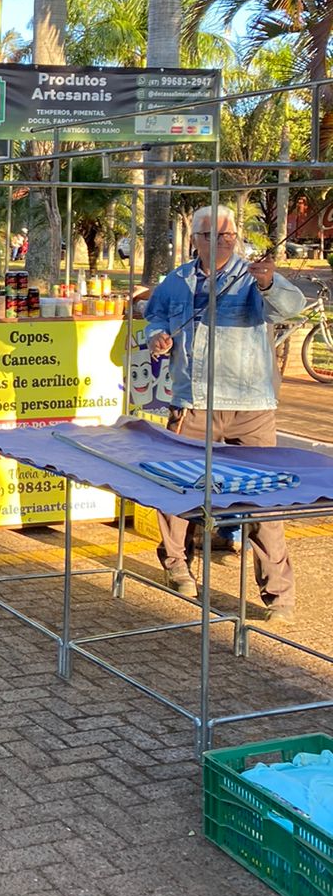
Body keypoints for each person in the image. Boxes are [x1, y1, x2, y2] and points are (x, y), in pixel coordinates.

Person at [146, 204, 305, 618]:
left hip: (252, 407)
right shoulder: (175, 280)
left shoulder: (254, 276)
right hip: (193, 403)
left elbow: (289, 307)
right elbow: (156, 314)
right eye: (210, 235)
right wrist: (157, 337)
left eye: (227, 235)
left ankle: (278, 594)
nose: (220, 242)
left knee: (263, 502)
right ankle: (178, 566)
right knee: (176, 489)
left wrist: (269, 282)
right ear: (194, 239)